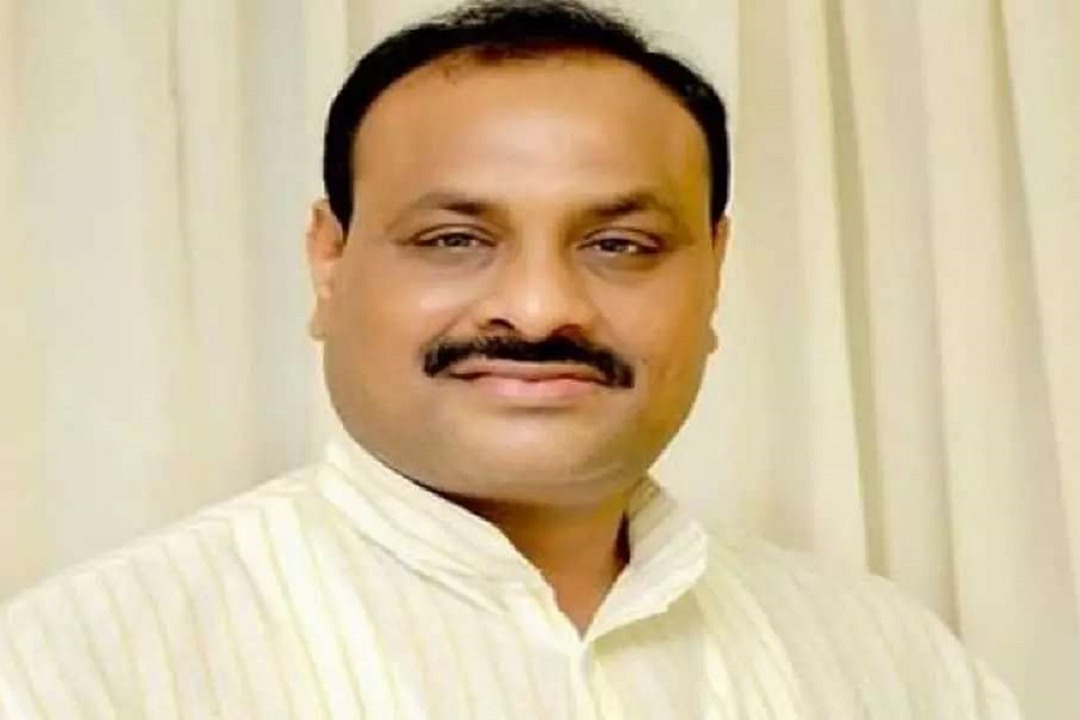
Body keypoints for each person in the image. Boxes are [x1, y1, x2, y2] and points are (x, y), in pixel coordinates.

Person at [0, 1, 1021, 717]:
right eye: (454, 239)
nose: (539, 308)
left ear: (714, 273)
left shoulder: (894, 670)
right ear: (329, 262)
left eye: (620, 244)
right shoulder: (83, 672)